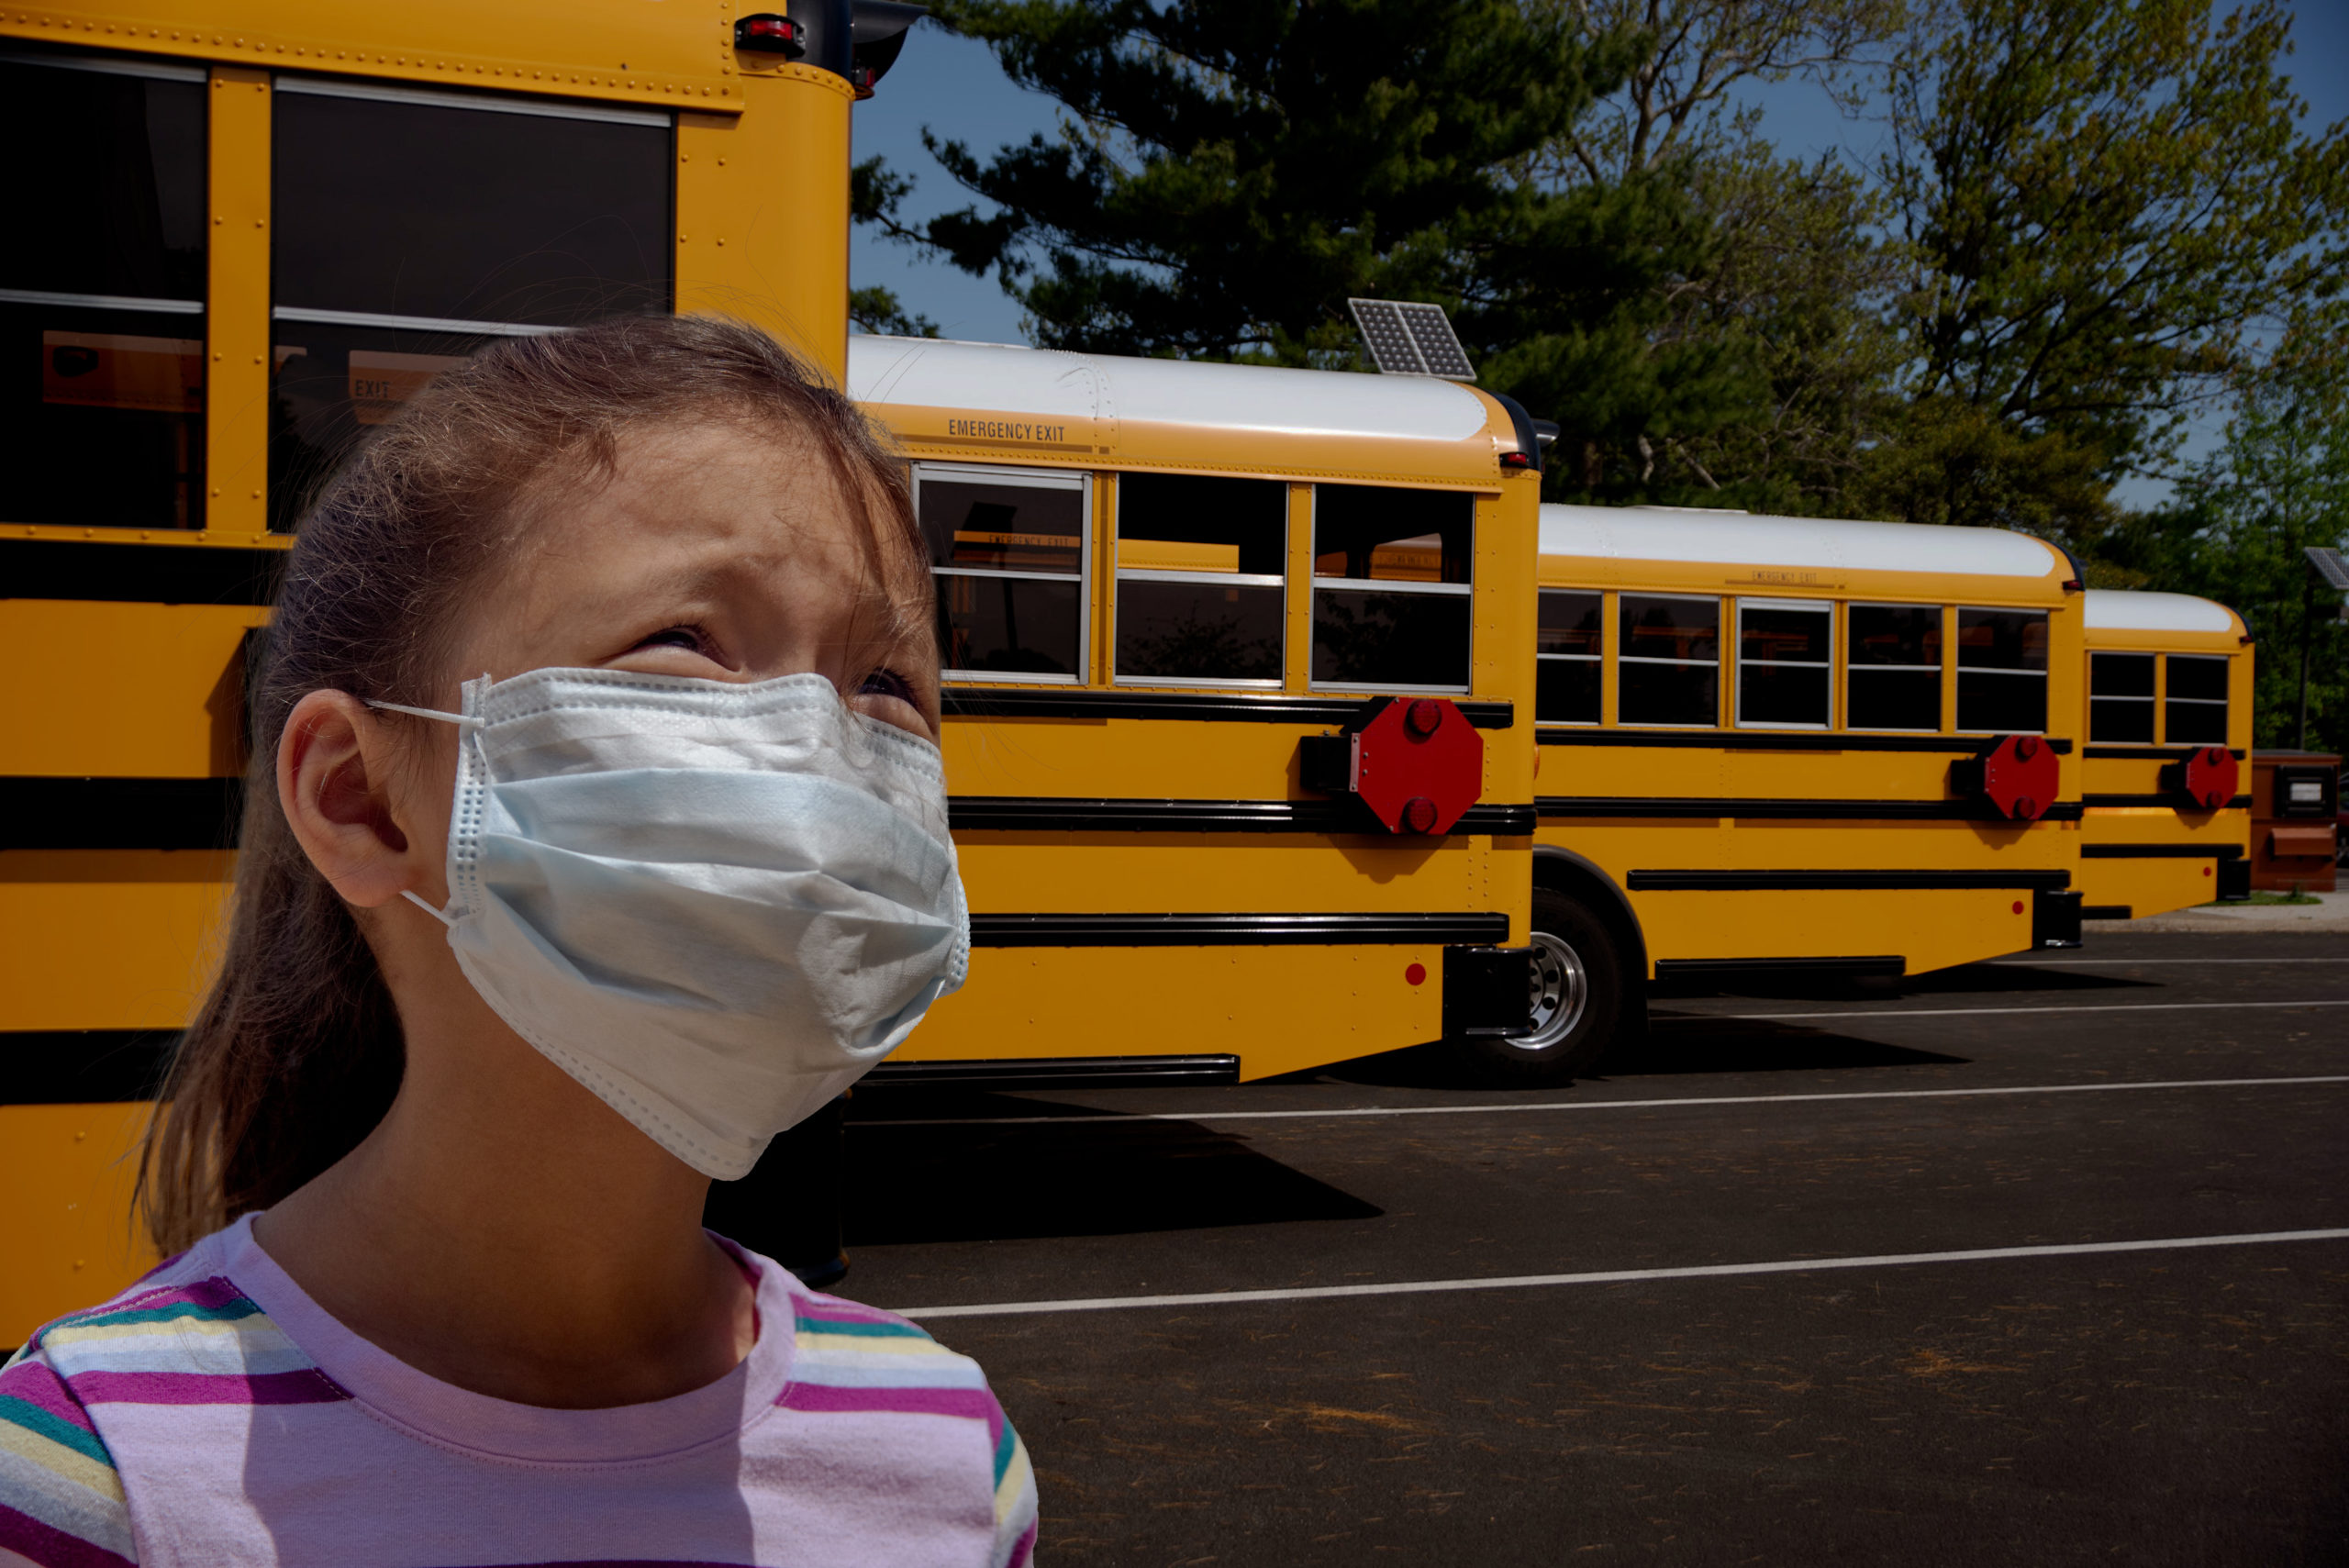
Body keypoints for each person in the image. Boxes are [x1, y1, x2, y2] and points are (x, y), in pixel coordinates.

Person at [0, 317, 1037, 1568]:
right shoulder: (90, 1471)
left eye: (887, 685)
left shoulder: (948, 1455)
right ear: (359, 799)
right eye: (688, 638)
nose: (817, 750)